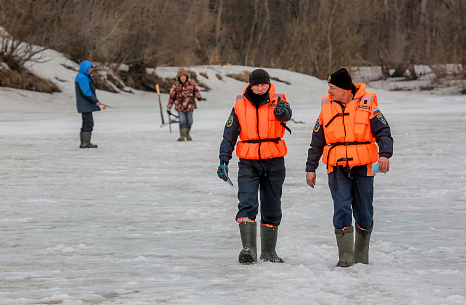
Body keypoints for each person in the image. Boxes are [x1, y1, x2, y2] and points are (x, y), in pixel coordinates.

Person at [305, 68, 393, 267]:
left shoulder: (368, 105)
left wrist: (385, 154)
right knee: (342, 207)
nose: (330, 92)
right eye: (329, 87)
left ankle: (361, 255)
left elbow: (384, 132)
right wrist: (311, 168)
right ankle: (346, 256)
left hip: (364, 165)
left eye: (333, 88)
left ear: (345, 89)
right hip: (336, 167)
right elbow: (316, 141)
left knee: (364, 211)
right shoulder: (326, 108)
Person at [218, 69, 292, 264]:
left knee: (272, 206)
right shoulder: (240, 104)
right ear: (250, 85)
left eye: (263, 84)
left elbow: (287, 116)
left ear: (269, 84)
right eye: (256, 84)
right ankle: (248, 249)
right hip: (248, 163)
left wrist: (282, 111)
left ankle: (269, 252)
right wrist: (223, 160)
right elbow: (229, 134)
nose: (260, 88)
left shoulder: (279, 99)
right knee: (247, 202)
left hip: (274, 161)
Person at [166, 68, 203, 141]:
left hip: (190, 106)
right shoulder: (175, 85)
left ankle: (187, 134)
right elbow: (171, 97)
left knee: (189, 121)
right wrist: (169, 108)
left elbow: (196, 92)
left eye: (184, 76)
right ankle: (182, 136)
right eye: (181, 76)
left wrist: (199, 97)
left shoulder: (192, 83)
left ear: (186, 77)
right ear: (179, 77)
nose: (183, 78)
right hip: (179, 107)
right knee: (182, 120)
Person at [75, 60, 102, 149]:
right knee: (88, 123)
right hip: (85, 104)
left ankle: (84, 143)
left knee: (86, 123)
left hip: (85, 104)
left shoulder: (82, 76)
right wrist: (95, 100)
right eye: (90, 68)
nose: (91, 70)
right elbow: (86, 92)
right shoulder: (82, 77)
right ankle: (85, 143)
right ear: (86, 68)